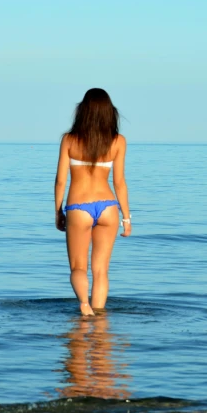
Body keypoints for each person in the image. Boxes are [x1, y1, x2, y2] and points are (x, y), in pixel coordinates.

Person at [54, 88, 131, 316]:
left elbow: (60, 181)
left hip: (79, 207)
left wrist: (57, 211)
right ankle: (98, 320)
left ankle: (84, 306)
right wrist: (126, 218)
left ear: (83, 111)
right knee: (101, 271)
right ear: (110, 112)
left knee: (78, 268)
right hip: (108, 207)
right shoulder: (118, 141)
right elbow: (120, 183)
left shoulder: (70, 140)